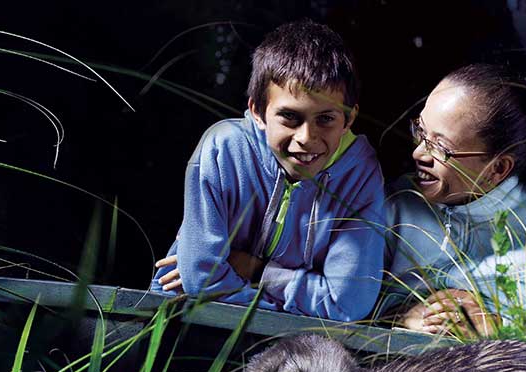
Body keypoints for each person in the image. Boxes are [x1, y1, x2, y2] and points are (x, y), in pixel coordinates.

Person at [151, 20, 385, 322]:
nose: (306, 137)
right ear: (258, 112)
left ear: (349, 119)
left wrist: (257, 271)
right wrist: (292, 304)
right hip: (186, 316)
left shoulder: (361, 174)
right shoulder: (223, 148)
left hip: (289, 338)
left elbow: (347, 304)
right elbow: (199, 279)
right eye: (289, 117)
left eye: (325, 119)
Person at [379, 64, 526, 352]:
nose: (418, 153)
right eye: (420, 131)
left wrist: (499, 327)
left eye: (441, 147)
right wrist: (402, 317)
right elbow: (347, 305)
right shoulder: (394, 203)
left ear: (498, 168)